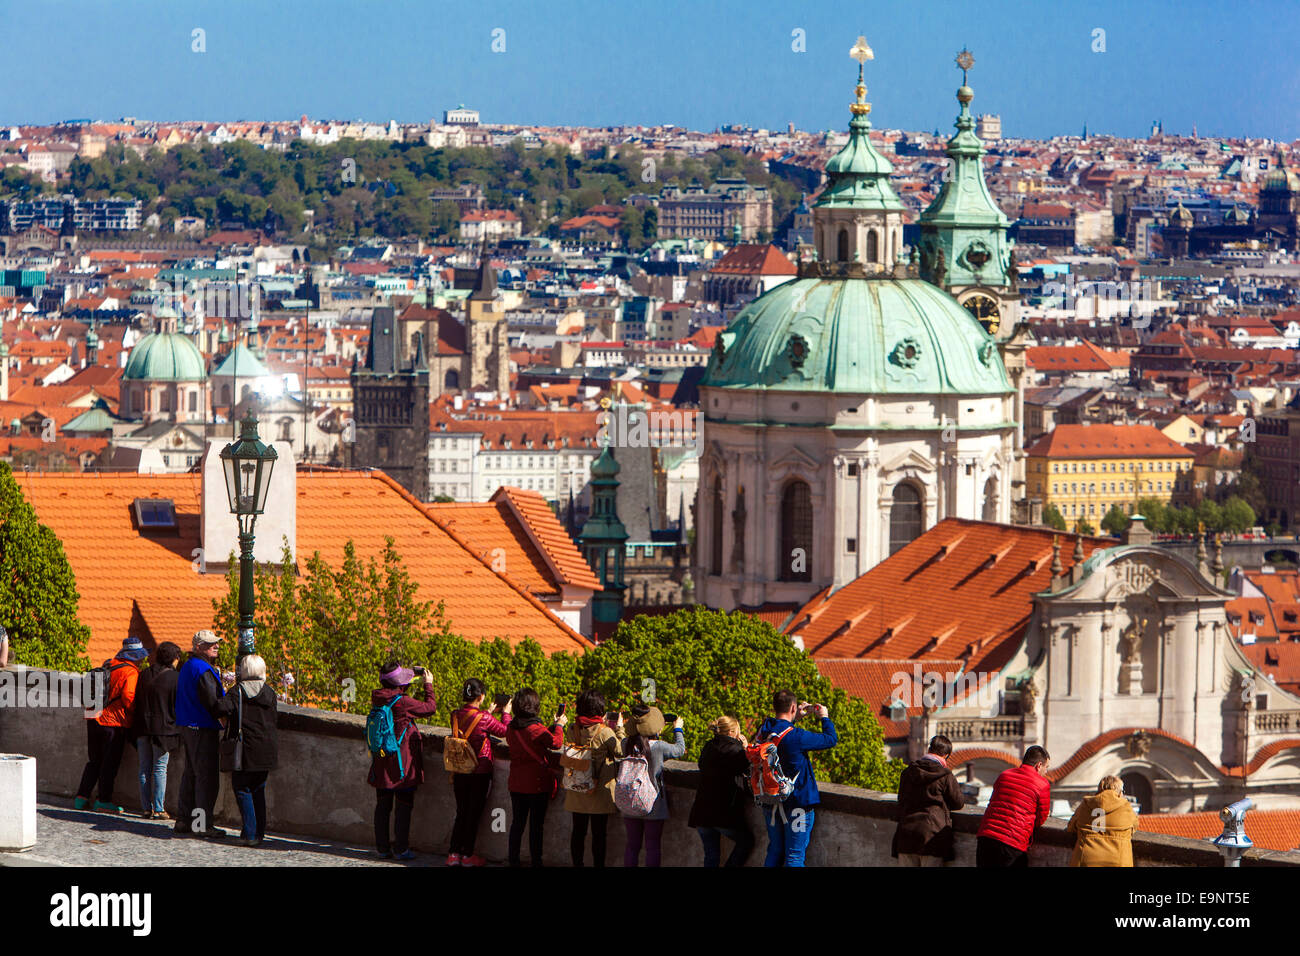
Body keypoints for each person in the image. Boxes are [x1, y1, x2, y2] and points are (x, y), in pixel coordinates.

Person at [755, 690, 838, 867]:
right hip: (797, 804)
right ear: (793, 707)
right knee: (794, 856)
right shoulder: (797, 736)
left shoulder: (764, 730)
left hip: (770, 800)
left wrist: (795, 718)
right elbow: (830, 739)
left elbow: (780, 732)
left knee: (775, 850)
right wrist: (824, 717)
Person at [368, 660, 438, 860]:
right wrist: (428, 684)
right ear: (399, 684)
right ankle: (401, 848)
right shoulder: (403, 702)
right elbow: (430, 707)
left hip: (381, 758)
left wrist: (407, 678)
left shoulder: (378, 697)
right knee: (403, 805)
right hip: (402, 762)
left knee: (382, 805)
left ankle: (382, 848)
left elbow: (394, 689)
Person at [74, 636, 148, 813]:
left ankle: (81, 798)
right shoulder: (130, 672)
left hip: (93, 717)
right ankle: (103, 800)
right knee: (110, 763)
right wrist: (134, 717)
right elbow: (129, 698)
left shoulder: (110, 664)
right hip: (113, 722)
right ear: (136, 656)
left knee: (94, 761)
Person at [215, 654, 279, 847]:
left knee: (242, 789)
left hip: (245, 749)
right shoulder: (270, 692)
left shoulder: (238, 692)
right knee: (259, 790)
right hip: (267, 748)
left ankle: (249, 833)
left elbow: (219, 709)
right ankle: (259, 832)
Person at [447, 678, 511, 867]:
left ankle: (453, 854)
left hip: (460, 769)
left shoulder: (455, 715)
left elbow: (471, 725)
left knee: (461, 812)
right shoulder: (484, 718)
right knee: (473, 814)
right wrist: (505, 713)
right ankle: (467, 855)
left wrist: (488, 713)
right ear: (481, 696)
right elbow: (505, 731)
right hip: (479, 770)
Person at [174, 630, 227, 839]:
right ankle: (202, 825)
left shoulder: (187, 666)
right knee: (206, 777)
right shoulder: (203, 669)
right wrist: (226, 712)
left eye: (216, 643)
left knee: (191, 774)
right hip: (202, 727)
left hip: (188, 725)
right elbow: (214, 703)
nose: (216, 646)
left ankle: (184, 820)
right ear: (198, 647)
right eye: (210, 644)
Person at [563, 689, 624, 867]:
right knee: (599, 834)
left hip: (577, 787)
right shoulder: (605, 733)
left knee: (578, 832)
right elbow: (620, 751)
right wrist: (619, 729)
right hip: (598, 791)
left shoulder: (572, 729)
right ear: (600, 711)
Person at [620, 704, 686, 867]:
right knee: (652, 847)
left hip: (630, 800)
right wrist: (678, 729)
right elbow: (679, 750)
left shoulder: (626, 744)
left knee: (632, 846)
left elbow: (622, 738)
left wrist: (620, 727)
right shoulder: (659, 747)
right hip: (653, 802)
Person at [505, 688, 564, 867]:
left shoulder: (511, 729)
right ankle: (536, 861)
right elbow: (556, 743)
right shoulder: (536, 729)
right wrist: (559, 725)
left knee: (517, 824)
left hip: (516, 784)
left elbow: (533, 736)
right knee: (536, 827)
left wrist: (551, 727)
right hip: (537, 786)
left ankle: (513, 860)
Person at [688, 715, 754, 867]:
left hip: (701, 811)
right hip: (723, 813)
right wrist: (745, 748)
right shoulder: (735, 750)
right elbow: (747, 768)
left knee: (711, 855)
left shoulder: (708, 746)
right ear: (731, 732)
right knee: (745, 842)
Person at [891, 734, 964, 866]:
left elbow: (901, 800)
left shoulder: (908, 772)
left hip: (906, 835)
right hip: (932, 836)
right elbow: (958, 803)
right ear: (946, 755)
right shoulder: (945, 775)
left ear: (930, 749)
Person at [976, 745, 1052, 867]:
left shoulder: (1004, 775)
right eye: (1046, 767)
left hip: (987, 837)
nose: (1046, 772)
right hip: (1012, 842)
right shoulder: (1042, 784)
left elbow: (993, 802)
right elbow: (1040, 818)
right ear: (1038, 766)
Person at [132, 641, 182, 820]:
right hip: (163, 730)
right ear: (173, 659)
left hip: (142, 727)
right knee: (160, 768)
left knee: (144, 768)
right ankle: (159, 808)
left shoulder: (144, 674)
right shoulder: (175, 678)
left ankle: (146, 808)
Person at [1067, 776, 1136, 867]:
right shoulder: (1126, 807)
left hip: (1086, 859)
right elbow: (1134, 827)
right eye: (1123, 792)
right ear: (1119, 793)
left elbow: (1071, 827)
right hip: (1118, 860)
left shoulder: (1085, 805)